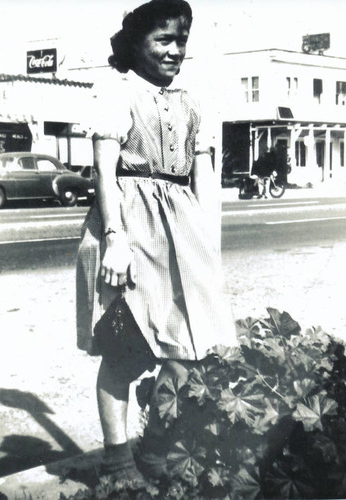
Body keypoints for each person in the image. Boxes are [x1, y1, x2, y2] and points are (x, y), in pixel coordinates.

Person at [76, 0, 237, 482]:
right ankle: (118, 461)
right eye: (162, 40)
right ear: (137, 43)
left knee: (188, 353)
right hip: (127, 224)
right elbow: (105, 173)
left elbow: (203, 176)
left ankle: (155, 451)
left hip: (181, 230)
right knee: (124, 351)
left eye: (180, 40)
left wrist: (210, 244)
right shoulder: (117, 92)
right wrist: (114, 238)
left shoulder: (193, 101)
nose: (173, 50)